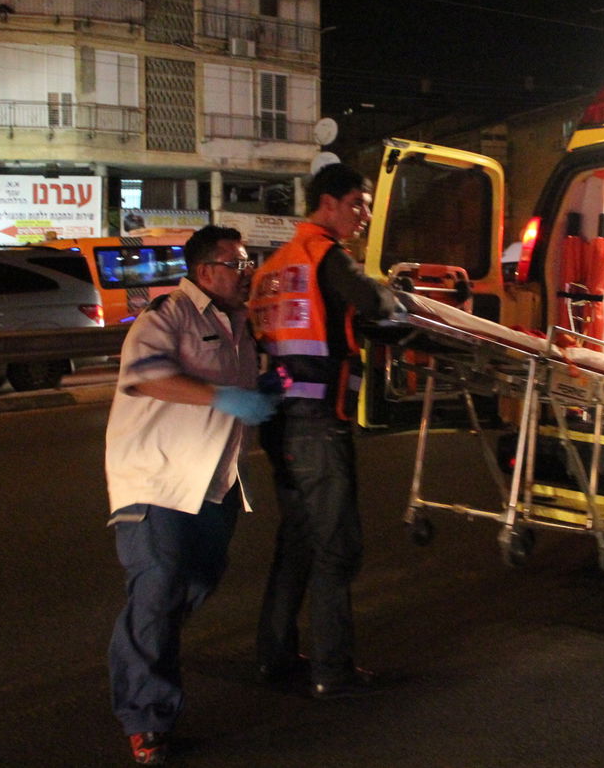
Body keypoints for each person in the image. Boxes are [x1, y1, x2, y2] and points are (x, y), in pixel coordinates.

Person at [104, 225, 277, 766]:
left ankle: (145, 659)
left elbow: (251, 391)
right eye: (237, 263)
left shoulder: (241, 326)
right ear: (207, 271)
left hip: (214, 482)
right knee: (157, 592)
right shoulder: (167, 316)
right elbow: (147, 377)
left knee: (194, 584)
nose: (246, 272)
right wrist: (222, 397)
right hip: (156, 480)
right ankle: (146, 717)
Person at [248, 162, 398, 699]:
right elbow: (377, 304)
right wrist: (392, 293)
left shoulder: (274, 266)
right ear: (328, 204)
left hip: (280, 423)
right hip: (318, 426)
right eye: (357, 203)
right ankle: (331, 670)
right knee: (337, 548)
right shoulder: (327, 258)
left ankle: (274, 655)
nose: (362, 215)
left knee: (296, 543)